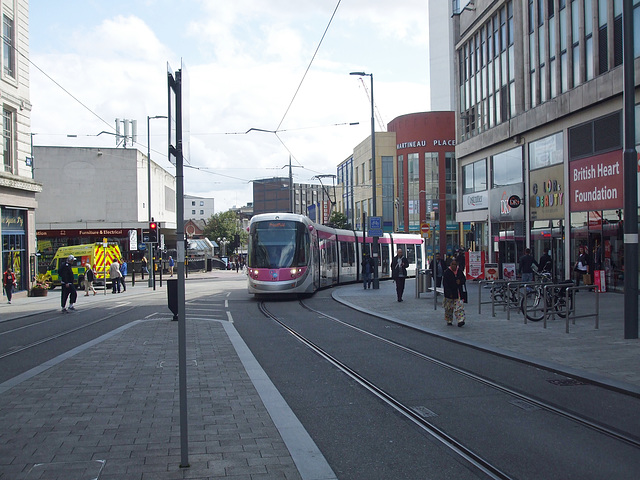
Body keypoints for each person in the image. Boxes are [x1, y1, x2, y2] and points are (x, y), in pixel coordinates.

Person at [443, 259, 466, 327]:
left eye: (455, 264)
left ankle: (460, 320)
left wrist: (460, 281)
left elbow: (464, 279)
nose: (454, 266)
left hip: (458, 293)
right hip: (449, 294)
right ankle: (449, 320)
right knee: (449, 309)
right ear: (450, 265)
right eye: (452, 264)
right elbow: (445, 284)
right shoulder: (447, 272)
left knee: (459, 308)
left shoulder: (459, 271)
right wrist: (448, 292)